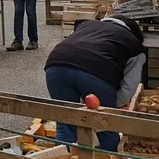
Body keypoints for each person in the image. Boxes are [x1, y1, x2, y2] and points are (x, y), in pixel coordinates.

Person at [44, 17, 145, 152]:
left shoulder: (86, 25)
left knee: (65, 122)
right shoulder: (134, 45)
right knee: (105, 125)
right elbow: (128, 88)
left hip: (56, 66)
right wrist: (112, 104)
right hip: (96, 72)